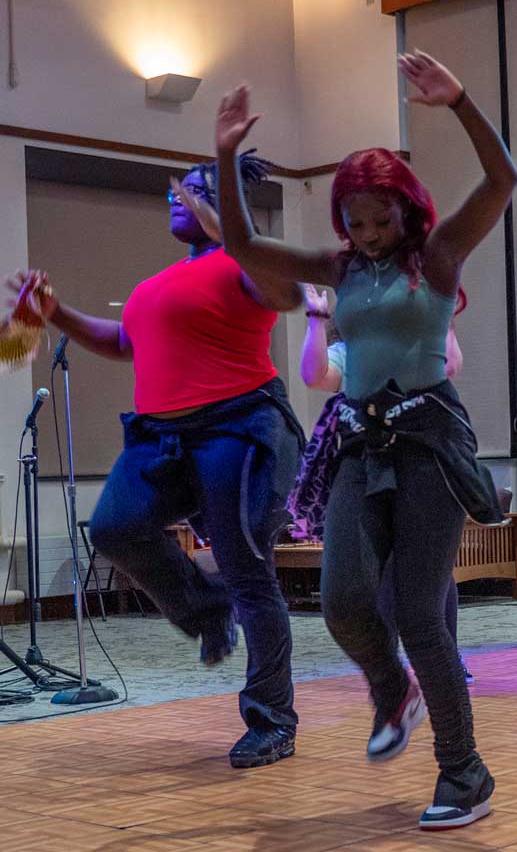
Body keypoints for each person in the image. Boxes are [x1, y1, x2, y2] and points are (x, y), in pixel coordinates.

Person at [212, 50, 517, 830]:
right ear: (342, 220)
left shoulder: (438, 256)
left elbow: (502, 180)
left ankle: (465, 775)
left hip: (428, 446)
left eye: (383, 220)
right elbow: (246, 251)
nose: (371, 234)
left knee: (418, 610)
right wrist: (223, 157)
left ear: (407, 213)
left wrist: (459, 101)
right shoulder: (336, 267)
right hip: (357, 444)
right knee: (345, 602)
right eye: (356, 221)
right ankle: (392, 689)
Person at [6, 156, 306, 769]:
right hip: (162, 436)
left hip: (238, 426)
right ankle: (205, 609)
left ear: (228, 208)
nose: (177, 198)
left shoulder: (246, 267)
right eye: (179, 190)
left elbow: (291, 295)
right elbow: (122, 342)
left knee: (250, 573)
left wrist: (234, 235)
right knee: (115, 527)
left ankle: (272, 720)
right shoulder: (160, 283)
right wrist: (54, 311)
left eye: (196, 192)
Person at [298, 285, 471, 684]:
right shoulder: (352, 350)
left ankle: (446, 659)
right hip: (370, 461)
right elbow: (317, 376)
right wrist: (316, 321)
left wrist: (442, 316)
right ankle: (392, 667)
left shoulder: (422, 337)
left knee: (431, 572)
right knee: (375, 574)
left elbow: (450, 365)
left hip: (426, 458)